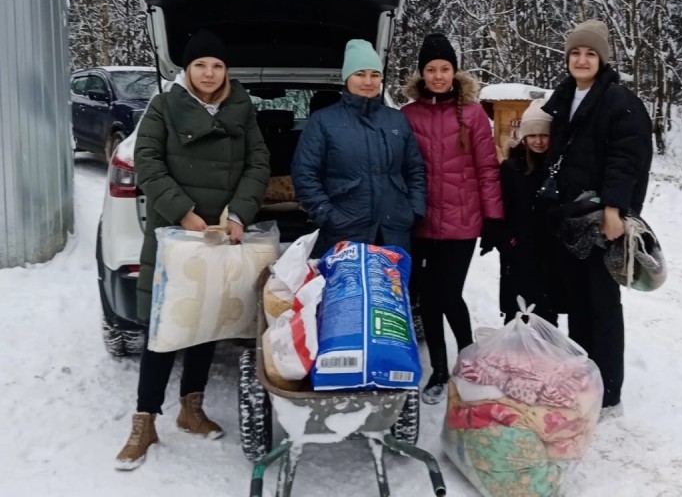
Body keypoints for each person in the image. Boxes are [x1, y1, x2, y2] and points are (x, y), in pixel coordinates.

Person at [115, 29, 271, 470]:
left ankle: (191, 407)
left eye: (217, 65)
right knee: (164, 328)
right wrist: (183, 212)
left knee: (206, 321)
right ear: (187, 70)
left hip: (221, 234)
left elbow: (259, 163)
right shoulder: (165, 106)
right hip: (176, 235)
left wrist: (238, 213)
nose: (209, 73)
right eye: (200, 65)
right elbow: (147, 161)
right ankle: (145, 420)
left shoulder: (242, 110)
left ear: (227, 71)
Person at [541, 20, 653, 415]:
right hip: (570, 220)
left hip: (601, 219)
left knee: (602, 305)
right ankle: (584, 379)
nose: (582, 59)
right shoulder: (565, 96)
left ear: (602, 59)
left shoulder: (618, 101)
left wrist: (614, 210)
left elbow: (627, 160)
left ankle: (609, 395)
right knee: (577, 302)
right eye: (575, 53)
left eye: (590, 53)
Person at [401, 32, 504, 405]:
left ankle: (467, 357)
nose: (439, 76)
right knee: (427, 297)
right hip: (423, 222)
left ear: (455, 72)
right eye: (431, 69)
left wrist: (493, 217)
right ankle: (440, 371)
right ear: (422, 74)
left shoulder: (474, 114)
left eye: (445, 68)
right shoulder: (408, 115)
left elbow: (487, 169)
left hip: (463, 222)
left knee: (449, 294)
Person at [291, 39, 426, 258]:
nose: (368, 81)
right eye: (360, 74)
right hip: (344, 233)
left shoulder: (396, 120)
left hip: (393, 232)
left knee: (391, 291)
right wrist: (327, 215)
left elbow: (415, 169)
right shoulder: (323, 121)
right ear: (347, 77)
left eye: (374, 74)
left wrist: (413, 211)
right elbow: (305, 174)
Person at [498, 99, 559, 326]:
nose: (538, 141)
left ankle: (545, 352)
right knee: (517, 306)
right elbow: (503, 206)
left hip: (549, 248)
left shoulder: (558, 169)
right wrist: (507, 238)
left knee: (546, 308)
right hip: (518, 247)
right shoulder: (512, 168)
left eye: (544, 135)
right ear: (524, 137)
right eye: (532, 135)